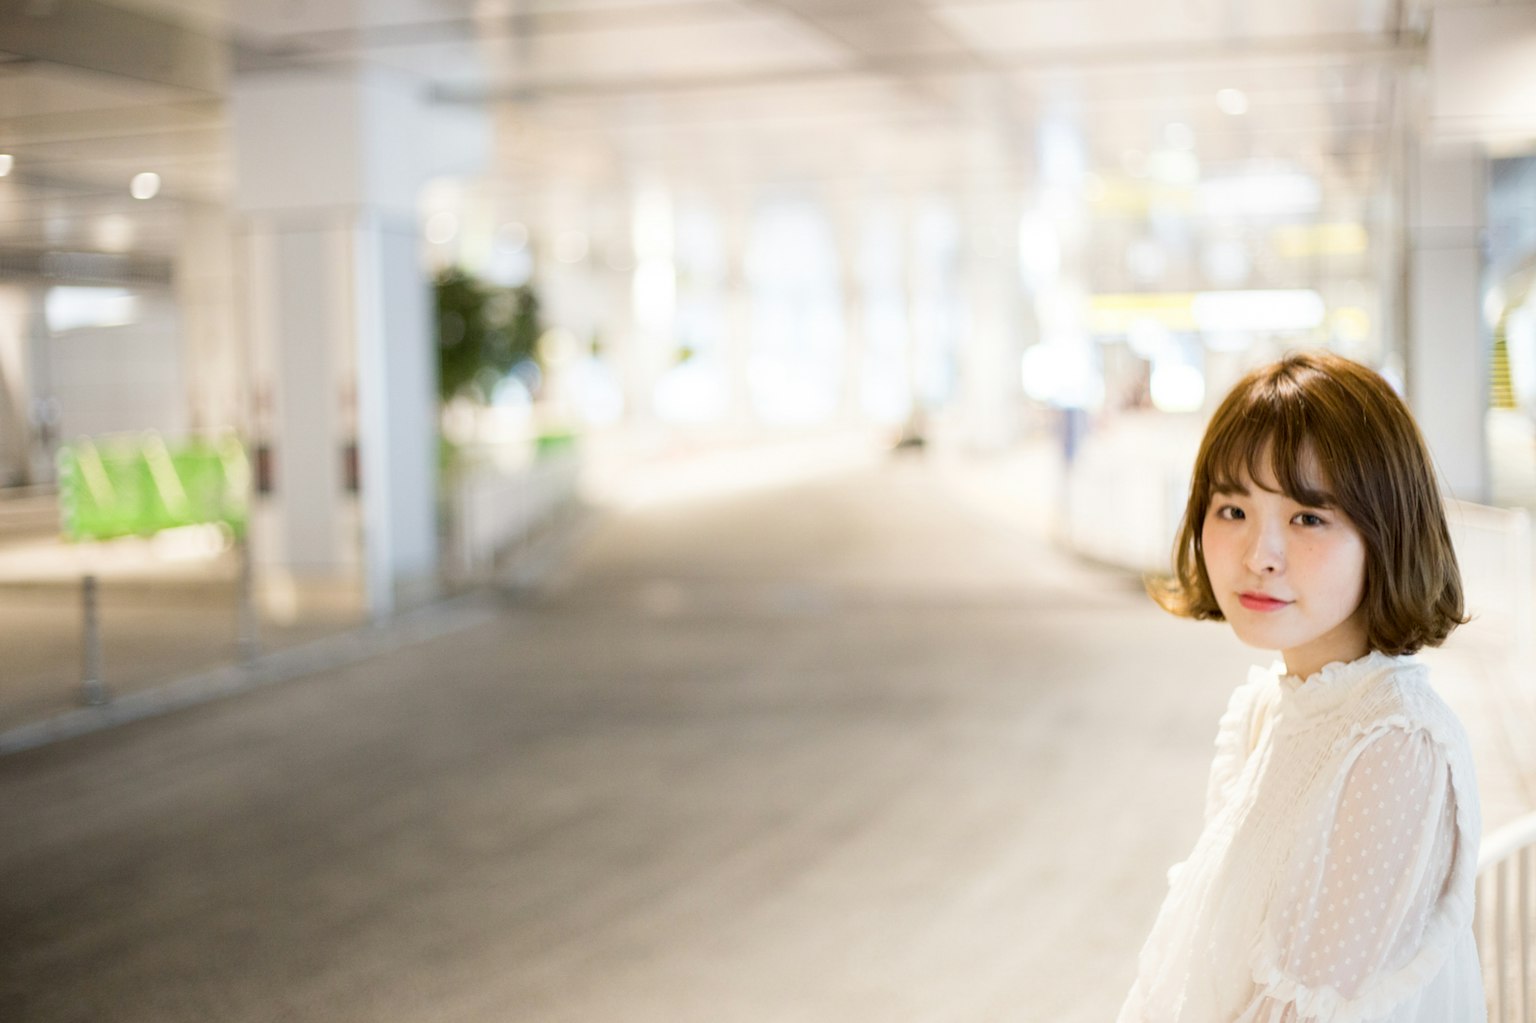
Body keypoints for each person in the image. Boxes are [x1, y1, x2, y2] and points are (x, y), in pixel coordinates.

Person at [1117, 351, 1486, 1022]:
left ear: (1387, 532)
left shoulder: (1395, 743)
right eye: (1232, 509)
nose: (1260, 554)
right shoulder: (1269, 707)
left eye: (1308, 517)